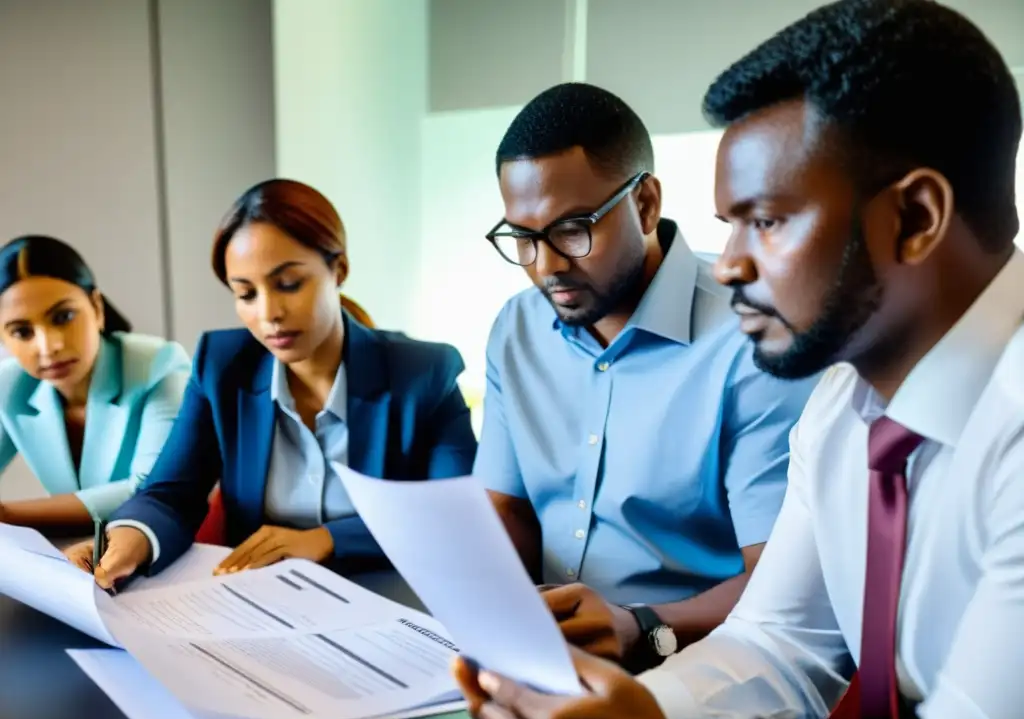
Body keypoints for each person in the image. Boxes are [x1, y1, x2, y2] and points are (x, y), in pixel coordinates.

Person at [453, 0, 1024, 719]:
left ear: (916, 216)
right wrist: (608, 709)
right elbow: (782, 641)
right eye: (729, 224)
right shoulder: (841, 408)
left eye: (767, 221)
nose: (727, 265)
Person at [476, 81, 817, 671]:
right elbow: (504, 509)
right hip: (548, 657)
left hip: (697, 665)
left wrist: (639, 629)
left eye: (571, 229)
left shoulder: (755, 339)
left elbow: (784, 586)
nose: (547, 266)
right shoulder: (517, 328)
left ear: (645, 205)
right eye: (524, 239)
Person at [66, 179, 478, 587]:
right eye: (246, 294)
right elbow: (171, 492)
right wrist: (131, 536)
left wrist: (327, 540)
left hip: (395, 597)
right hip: (265, 607)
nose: (269, 313)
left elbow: (453, 515)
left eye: (289, 284)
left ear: (339, 270)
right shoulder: (223, 365)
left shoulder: (423, 372)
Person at [0, 235, 189, 530]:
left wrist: (8, 514)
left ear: (97, 308)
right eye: (22, 332)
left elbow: (150, 489)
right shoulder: (9, 386)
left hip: (161, 545)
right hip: (71, 553)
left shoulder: (159, 365)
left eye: (63, 317)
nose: (49, 347)